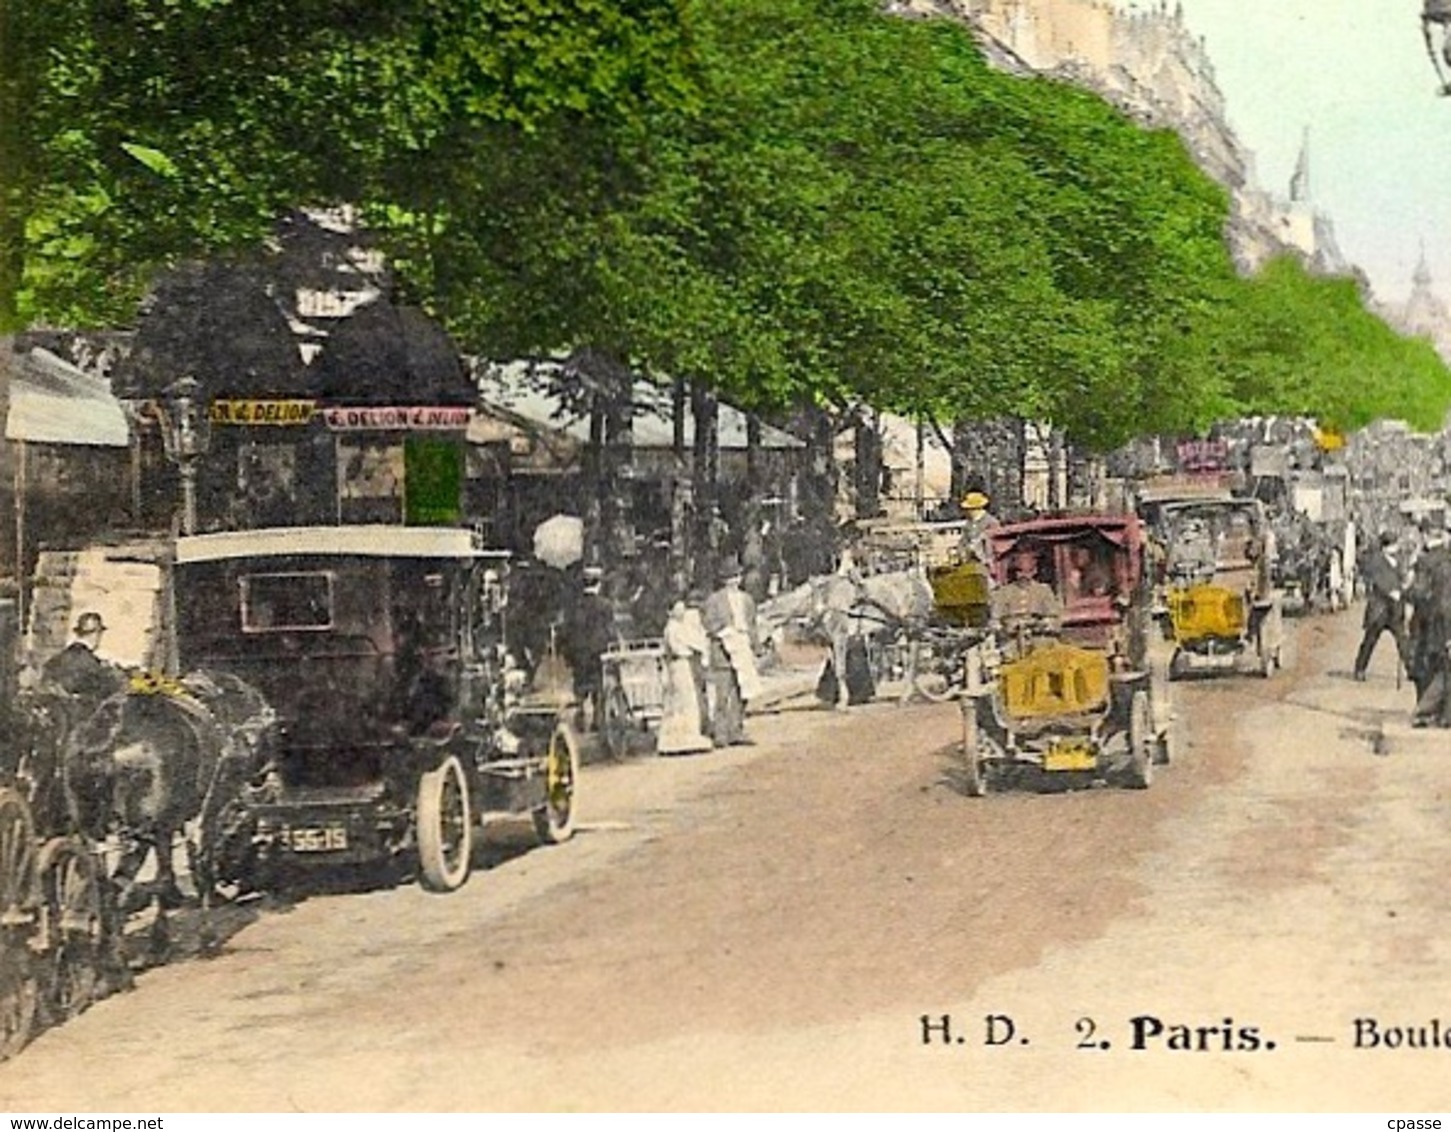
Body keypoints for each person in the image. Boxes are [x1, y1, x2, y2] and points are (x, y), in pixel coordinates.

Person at [702, 556, 762, 747]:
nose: (734, 581)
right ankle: (720, 733)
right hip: (723, 651)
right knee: (722, 694)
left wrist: (756, 645)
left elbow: (752, 625)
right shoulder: (714, 600)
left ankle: (736, 730)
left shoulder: (747, 600)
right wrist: (725, 633)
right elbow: (709, 623)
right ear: (724, 580)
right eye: (730, 577)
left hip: (743, 648)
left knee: (742, 691)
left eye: (737, 576)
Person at [1406, 521, 1451, 726]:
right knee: (1444, 667)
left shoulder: (1425, 562)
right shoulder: (1447, 558)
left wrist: (1407, 590)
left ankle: (1425, 713)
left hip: (1432, 622)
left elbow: (1420, 592)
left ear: (1425, 536)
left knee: (1426, 667)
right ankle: (1443, 714)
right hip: (1446, 620)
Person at [657, 595, 712, 755]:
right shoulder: (672, 628)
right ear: (670, 611)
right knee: (684, 700)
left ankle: (688, 736)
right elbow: (677, 648)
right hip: (678, 665)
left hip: (683, 665)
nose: (681, 611)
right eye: (677, 608)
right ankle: (680, 739)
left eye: (682, 608)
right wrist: (692, 650)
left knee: (686, 700)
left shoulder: (679, 626)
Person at [1353, 530, 1407, 682]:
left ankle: (1411, 669)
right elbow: (1377, 581)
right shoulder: (1376, 561)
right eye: (1393, 545)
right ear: (1385, 547)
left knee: (1403, 639)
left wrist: (1402, 586)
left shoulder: (1398, 561)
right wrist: (1390, 592)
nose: (1396, 548)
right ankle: (1360, 669)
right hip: (1379, 608)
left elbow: (1402, 578)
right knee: (1370, 640)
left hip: (1395, 609)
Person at [42, 611, 126, 703]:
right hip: (83, 712)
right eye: (100, 634)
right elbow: (104, 687)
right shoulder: (89, 661)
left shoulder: (58, 658)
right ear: (96, 634)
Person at [991, 548, 1063, 642]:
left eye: (1028, 571)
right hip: (1011, 639)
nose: (1024, 576)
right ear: (1014, 573)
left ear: (1035, 571)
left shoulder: (1044, 590)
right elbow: (995, 619)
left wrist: (1042, 624)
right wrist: (1002, 630)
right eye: (1020, 571)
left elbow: (1055, 617)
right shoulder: (1002, 592)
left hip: (1039, 637)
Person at [958, 491, 999, 565]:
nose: (967, 512)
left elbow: (994, 545)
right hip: (970, 560)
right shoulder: (969, 523)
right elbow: (963, 540)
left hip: (986, 561)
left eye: (969, 509)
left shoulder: (991, 522)